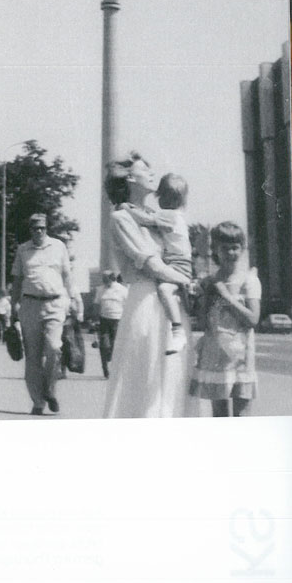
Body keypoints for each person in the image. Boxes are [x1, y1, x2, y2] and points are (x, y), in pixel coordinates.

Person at [100, 153, 198, 419]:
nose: (152, 173)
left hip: (171, 300)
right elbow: (152, 265)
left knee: (173, 376)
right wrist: (187, 281)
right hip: (146, 299)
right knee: (147, 377)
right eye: (146, 169)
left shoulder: (155, 215)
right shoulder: (121, 218)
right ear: (130, 178)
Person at [9, 212, 85, 415]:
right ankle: (38, 402)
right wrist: (13, 307)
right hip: (30, 305)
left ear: (46, 228)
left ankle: (50, 389)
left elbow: (67, 275)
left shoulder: (58, 246)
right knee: (32, 356)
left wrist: (75, 299)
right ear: (30, 230)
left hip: (55, 303)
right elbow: (17, 281)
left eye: (42, 228)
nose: (39, 231)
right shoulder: (23, 250)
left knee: (54, 347)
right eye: (35, 228)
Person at [191, 222, 260, 417]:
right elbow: (203, 323)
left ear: (242, 248)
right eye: (224, 248)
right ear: (215, 249)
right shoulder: (210, 281)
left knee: (241, 414)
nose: (230, 252)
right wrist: (202, 297)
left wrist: (226, 296)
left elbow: (253, 319)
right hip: (216, 355)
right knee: (219, 414)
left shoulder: (248, 280)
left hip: (241, 356)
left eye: (235, 247)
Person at [121, 173, 192, 353]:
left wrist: (126, 207)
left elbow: (145, 218)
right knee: (174, 295)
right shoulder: (178, 215)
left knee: (164, 290)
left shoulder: (168, 215)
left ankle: (178, 332)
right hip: (180, 262)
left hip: (178, 264)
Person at [95, 271, 126, 376]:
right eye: (103, 278)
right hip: (104, 320)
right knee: (104, 345)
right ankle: (105, 368)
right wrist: (94, 320)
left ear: (112, 278)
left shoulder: (122, 289)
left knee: (115, 345)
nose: (103, 280)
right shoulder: (100, 289)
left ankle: (115, 367)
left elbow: (127, 305)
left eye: (105, 278)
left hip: (117, 320)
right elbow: (96, 303)